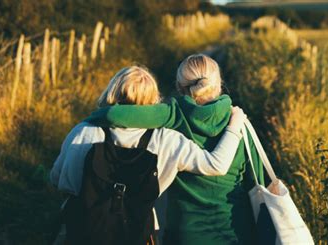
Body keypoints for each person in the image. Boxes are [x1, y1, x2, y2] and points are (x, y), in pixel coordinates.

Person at [86, 54, 272, 244]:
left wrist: (89, 120)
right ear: (219, 84)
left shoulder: (173, 114)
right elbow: (257, 184)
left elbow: (113, 114)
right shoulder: (239, 123)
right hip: (235, 235)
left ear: (178, 87)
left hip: (185, 236)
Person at [50, 66, 248, 244]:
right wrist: (235, 126)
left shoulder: (84, 132)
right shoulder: (166, 139)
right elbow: (215, 164)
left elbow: (59, 179)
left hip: (84, 231)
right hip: (137, 232)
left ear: (112, 91)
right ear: (154, 100)